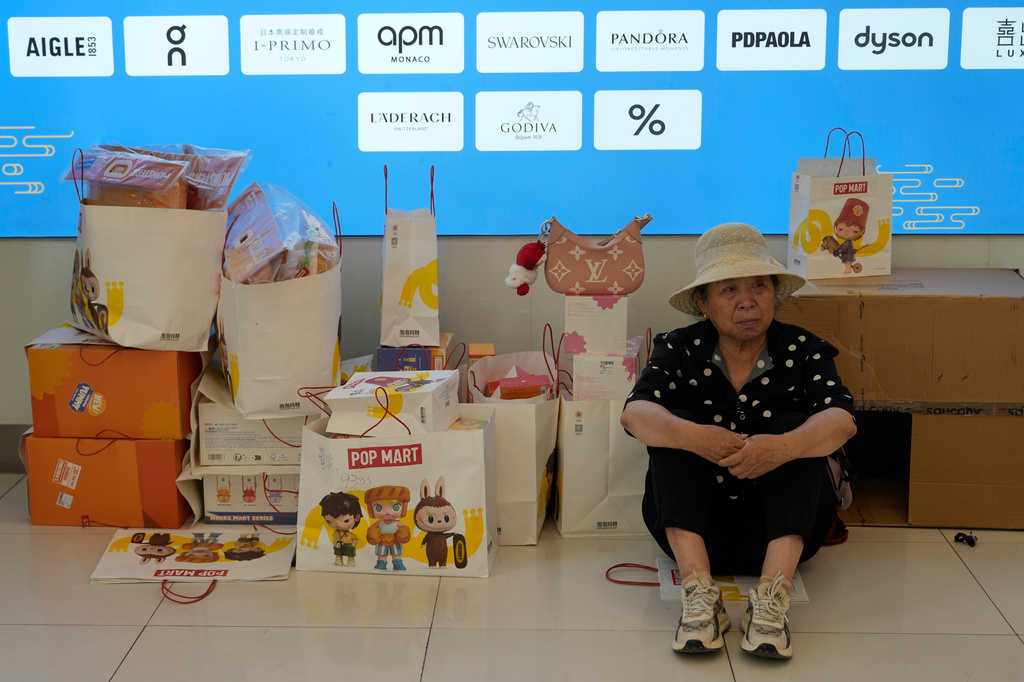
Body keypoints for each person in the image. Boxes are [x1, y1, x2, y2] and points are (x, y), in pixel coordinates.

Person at [620, 222, 857, 660]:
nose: (748, 300)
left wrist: (785, 446)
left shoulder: (804, 349)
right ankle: (699, 597)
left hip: (784, 534)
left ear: (774, 293)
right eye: (728, 289)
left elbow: (842, 420)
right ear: (702, 302)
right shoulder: (677, 347)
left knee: (797, 427)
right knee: (676, 426)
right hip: (697, 533)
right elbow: (636, 413)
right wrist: (692, 437)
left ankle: (770, 601)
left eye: (758, 286)